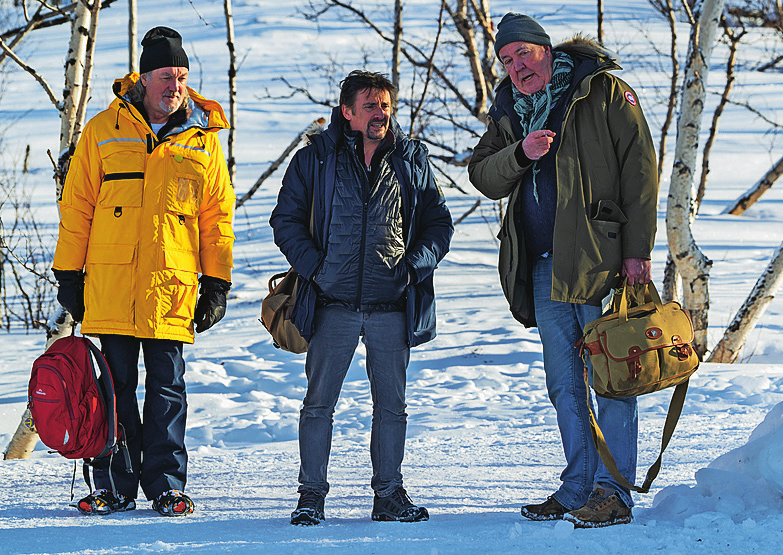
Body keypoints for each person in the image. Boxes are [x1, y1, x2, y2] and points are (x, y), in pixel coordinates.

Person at [468, 14, 658, 528]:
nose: (516, 67)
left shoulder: (602, 89)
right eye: (506, 61)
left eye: (523, 54)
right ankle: (578, 486)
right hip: (544, 266)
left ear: (546, 50)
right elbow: (482, 174)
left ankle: (612, 492)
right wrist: (520, 153)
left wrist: (638, 251)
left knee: (612, 377)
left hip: (601, 260)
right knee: (564, 383)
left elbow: (640, 169)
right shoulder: (509, 110)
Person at [52, 26, 235, 517]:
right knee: (112, 389)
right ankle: (112, 485)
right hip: (111, 285)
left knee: (167, 390)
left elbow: (217, 217)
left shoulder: (203, 140)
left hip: (171, 288)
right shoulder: (102, 131)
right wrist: (68, 274)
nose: (174, 86)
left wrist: (216, 282)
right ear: (144, 79)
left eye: (180, 77)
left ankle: (166, 486)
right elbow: (78, 207)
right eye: (164, 77)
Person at [270, 70, 453, 526]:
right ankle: (311, 496)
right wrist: (317, 268)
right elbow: (285, 220)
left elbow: (438, 222)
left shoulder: (410, 158)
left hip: (391, 304)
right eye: (371, 106)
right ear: (347, 111)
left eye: (386, 106)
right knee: (318, 405)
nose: (381, 114)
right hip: (332, 304)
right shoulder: (315, 158)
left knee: (392, 406)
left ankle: (388, 494)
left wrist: (413, 268)